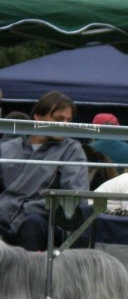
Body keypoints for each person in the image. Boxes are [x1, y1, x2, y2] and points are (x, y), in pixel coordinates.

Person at [0, 90, 88, 251]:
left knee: (32, 224)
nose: (65, 125)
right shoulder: (7, 149)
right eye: (58, 119)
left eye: (68, 120)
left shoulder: (72, 150)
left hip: (44, 220)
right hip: (5, 216)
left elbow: (74, 197)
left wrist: (22, 208)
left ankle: (30, 276)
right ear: (38, 117)